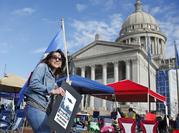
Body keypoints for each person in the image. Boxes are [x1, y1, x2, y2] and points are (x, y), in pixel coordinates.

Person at [24, 49, 66, 133]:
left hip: (44, 110)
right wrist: (52, 91)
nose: (57, 59)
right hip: (36, 106)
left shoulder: (53, 78)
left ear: (61, 63)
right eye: (54, 57)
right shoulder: (43, 66)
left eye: (60, 59)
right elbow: (33, 83)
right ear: (49, 59)